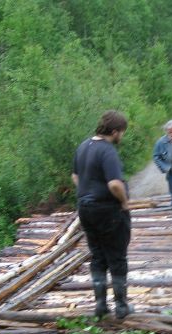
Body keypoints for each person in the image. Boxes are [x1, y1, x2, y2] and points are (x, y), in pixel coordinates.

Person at [71, 110, 133, 319]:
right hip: (108, 211)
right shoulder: (107, 151)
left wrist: (88, 192)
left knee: (97, 256)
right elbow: (114, 184)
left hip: (85, 209)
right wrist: (124, 202)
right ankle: (121, 306)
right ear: (115, 132)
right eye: (122, 132)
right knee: (117, 256)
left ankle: (100, 305)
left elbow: (75, 176)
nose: (122, 136)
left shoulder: (83, 146)